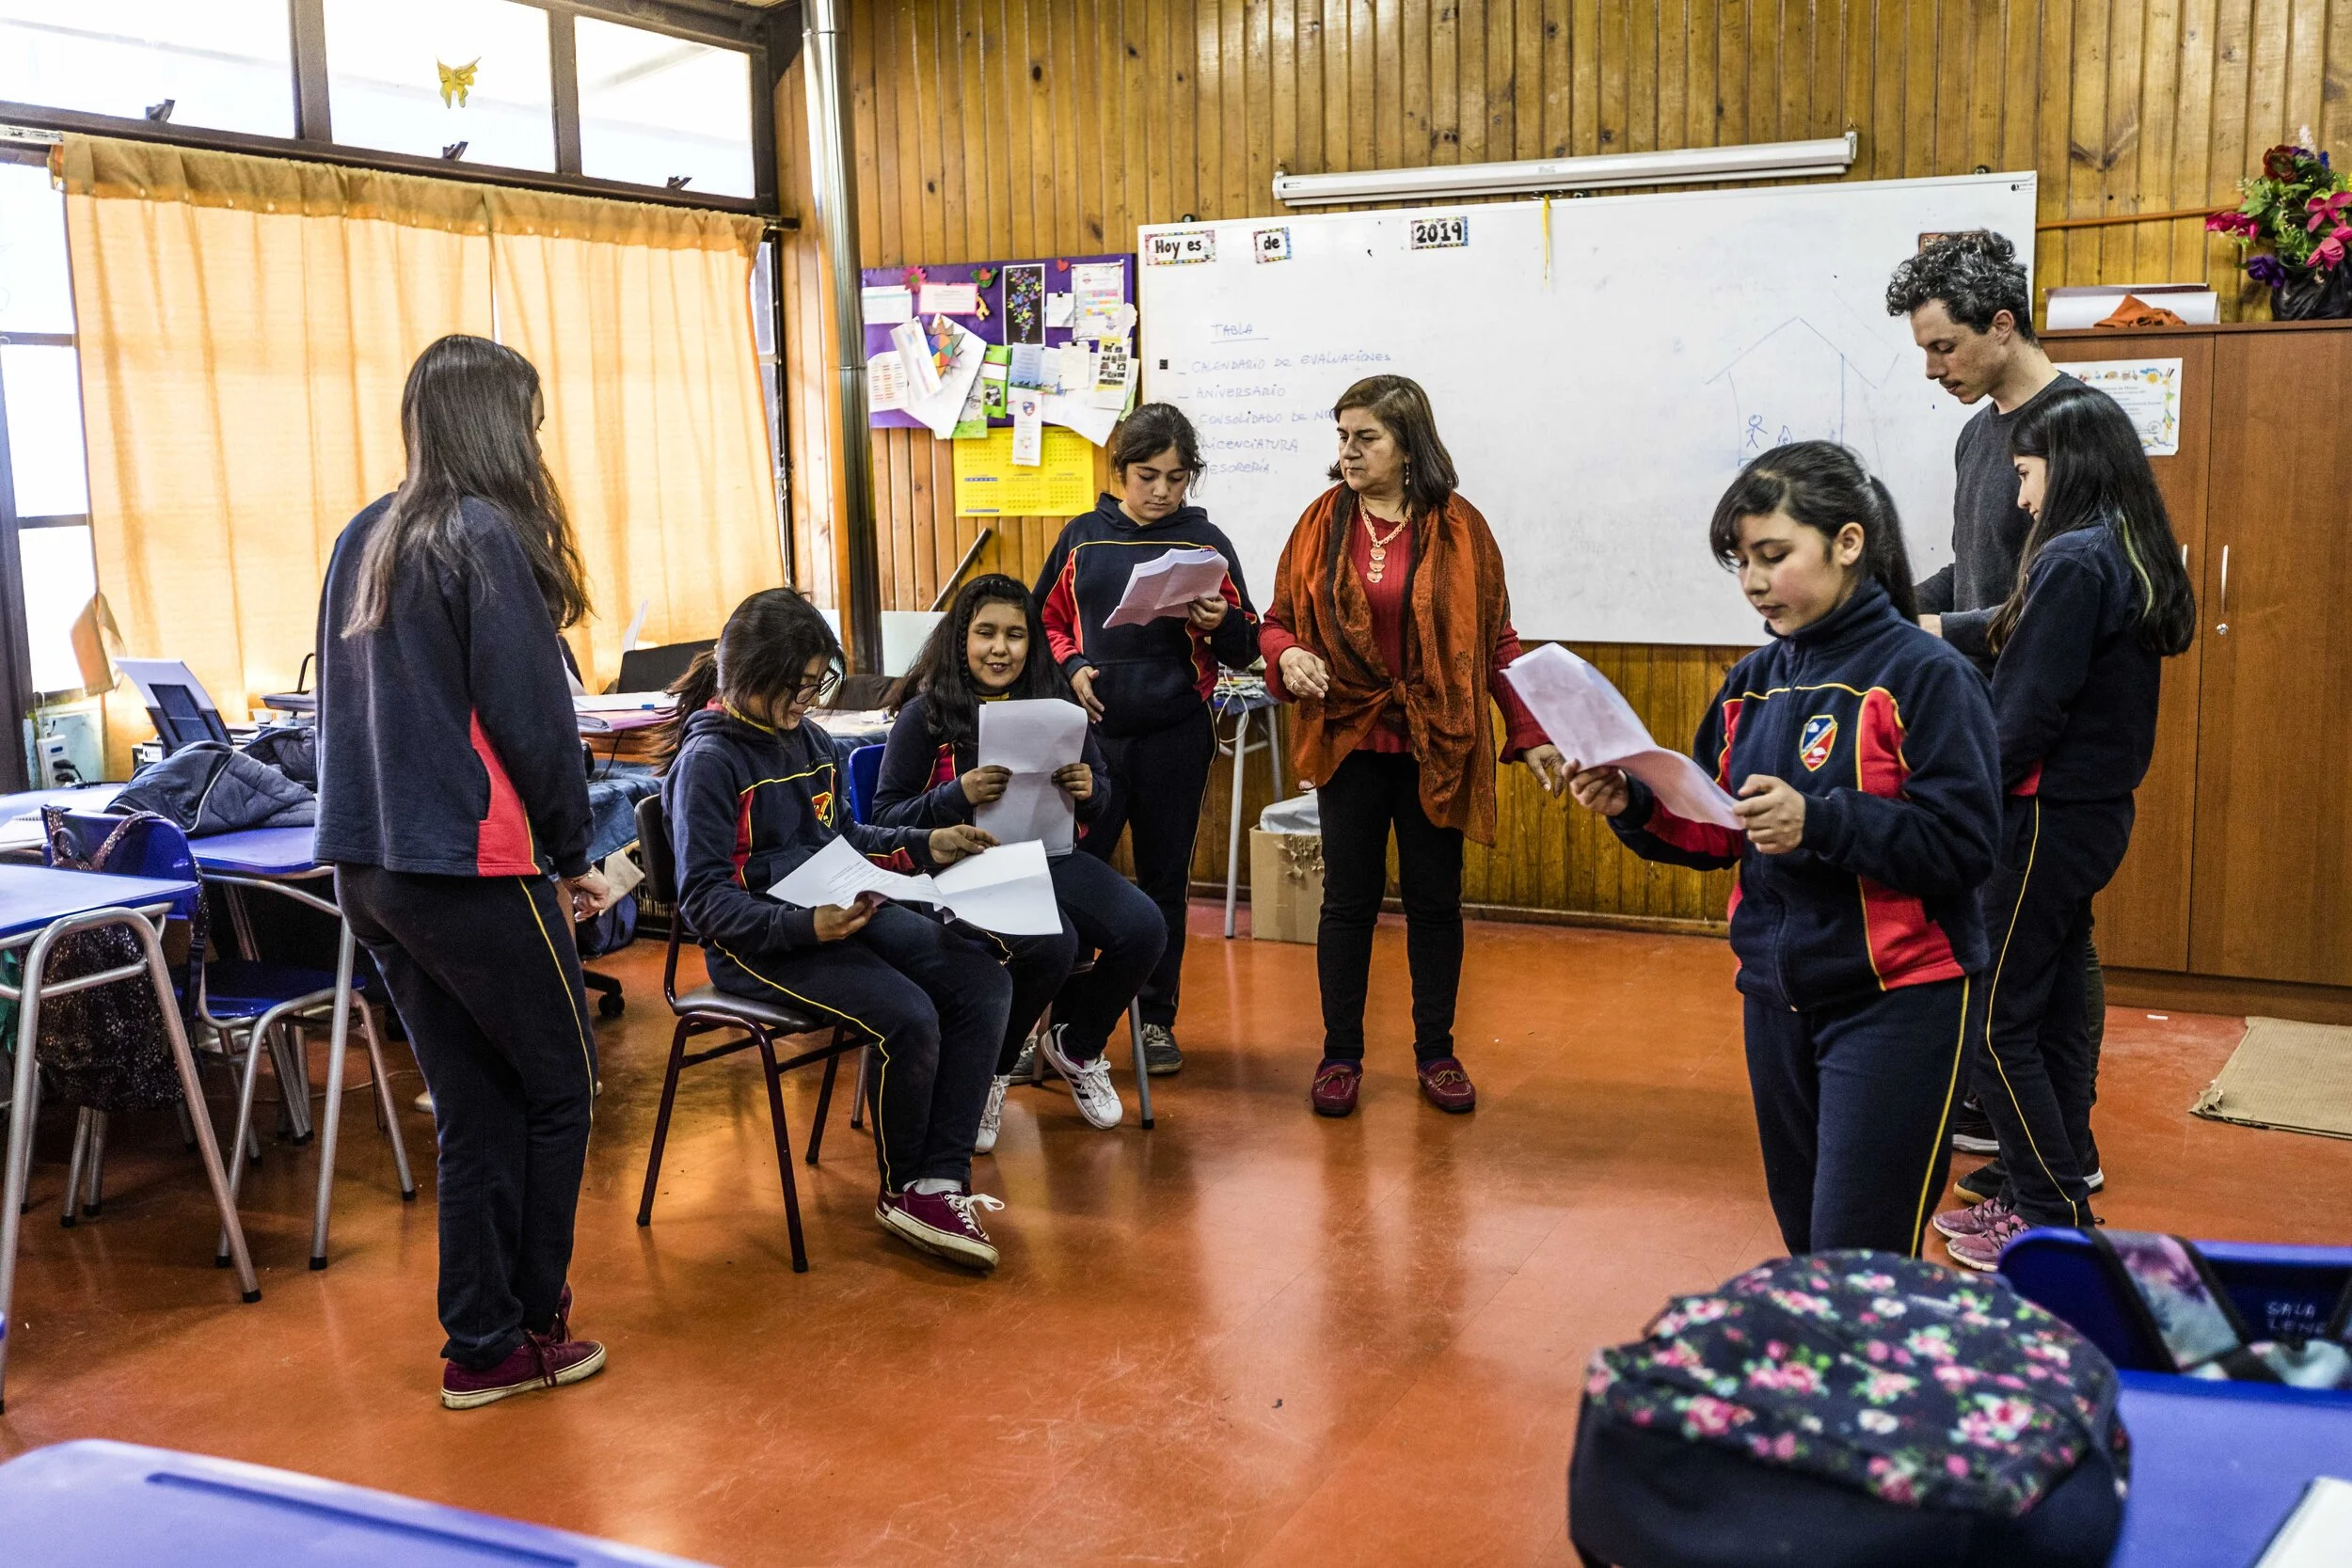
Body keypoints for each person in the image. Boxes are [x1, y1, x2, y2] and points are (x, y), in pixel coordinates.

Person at [1567, 441, 2001, 1258]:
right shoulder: (1751, 682)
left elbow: (1966, 844)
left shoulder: (1928, 674)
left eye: (1773, 555)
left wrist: (1823, 822)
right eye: (1741, 562)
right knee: (1807, 1248)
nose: (1754, 581)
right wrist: (1634, 802)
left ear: (1848, 542)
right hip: (1775, 999)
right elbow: (1718, 827)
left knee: (1858, 1256)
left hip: (1900, 1000)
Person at [316, 333, 613, 1409]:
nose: (534, 442)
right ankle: (530, 1317)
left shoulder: (365, 531)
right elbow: (534, 722)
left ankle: (480, 1345)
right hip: (471, 868)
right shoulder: (481, 532)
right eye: (527, 422)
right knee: (563, 1083)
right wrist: (573, 854)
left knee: (475, 1103)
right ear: (500, 426)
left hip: (369, 869)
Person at [660, 589, 1014, 1272]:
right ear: (750, 677)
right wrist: (804, 925)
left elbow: (847, 839)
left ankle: (941, 1177)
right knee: (910, 1015)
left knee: (983, 982)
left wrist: (926, 844)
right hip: (754, 944)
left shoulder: (811, 741)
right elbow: (703, 902)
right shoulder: (709, 763)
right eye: (795, 686)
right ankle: (904, 1188)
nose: (807, 700)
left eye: (814, 683)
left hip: (834, 913)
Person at [1934, 391, 2195, 1271]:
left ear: (2068, 465)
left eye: (2026, 473)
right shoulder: (2124, 544)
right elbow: (2022, 645)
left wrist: (1958, 799)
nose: (2020, 497)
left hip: (2042, 817)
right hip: (2091, 816)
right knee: (2041, 1010)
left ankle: (2049, 1213)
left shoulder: (2074, 560)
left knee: (1994, 1022)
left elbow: (2025, 711)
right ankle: (2041, 1185)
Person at [1259, 374, 1567, 1119]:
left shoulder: (1462, 527)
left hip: (1439, 741)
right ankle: (1340, 1055)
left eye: (1366, 437)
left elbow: (1497, 638)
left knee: (1434, 902)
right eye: (1342, 436)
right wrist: (1286, 655)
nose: (1349, 451)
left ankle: (1437, 1053)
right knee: (1347, 902)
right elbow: (1276, 621)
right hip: (1349, 738)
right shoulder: (1319, 522)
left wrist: (1528, 731)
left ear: (1408, 446)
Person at [1886, 229, 2107, 1185]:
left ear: (2003, 324)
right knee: (2021, 942)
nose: (1933, 368)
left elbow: (2048, 599)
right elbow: (1974, 571)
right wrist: (1887, 609)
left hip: (2043, 739)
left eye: (1945, 346)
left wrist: (1928, 627)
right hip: (1983, 721)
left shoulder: (2078, 428)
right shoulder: (1978, 432)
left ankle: (2060, 1153)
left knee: (2038, 950)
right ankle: (2013, 1115)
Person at [874, 575, 1165, 1145]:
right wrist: (955, 795)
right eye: (985, 633)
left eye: (1015, 635)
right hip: (956, 869)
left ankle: (1076, 1047)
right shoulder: (926, 715)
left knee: (1145, 927)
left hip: (1047, 857)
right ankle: (989, 1071)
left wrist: (1090, 790)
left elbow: (1101, 794)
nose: (1000, 649)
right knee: (1053, 944)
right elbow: (883, 817)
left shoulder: (1056, 709)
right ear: (961, 638)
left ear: (1032, 643)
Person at [1033, 404, 1261, 1075]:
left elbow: (1247, 644)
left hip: (1175, 737)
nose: (1162, 491)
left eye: (1176, 477)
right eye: (1147, 476)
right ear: (1120, 471)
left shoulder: (1206, 543)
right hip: (1091, 742)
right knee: (1074, 877)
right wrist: (1072, 666)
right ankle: (1062, 1022)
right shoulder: (1081, 539)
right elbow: (1043, 622)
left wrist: (1219, 622)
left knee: (1165, 880)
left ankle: (1156, 1019)